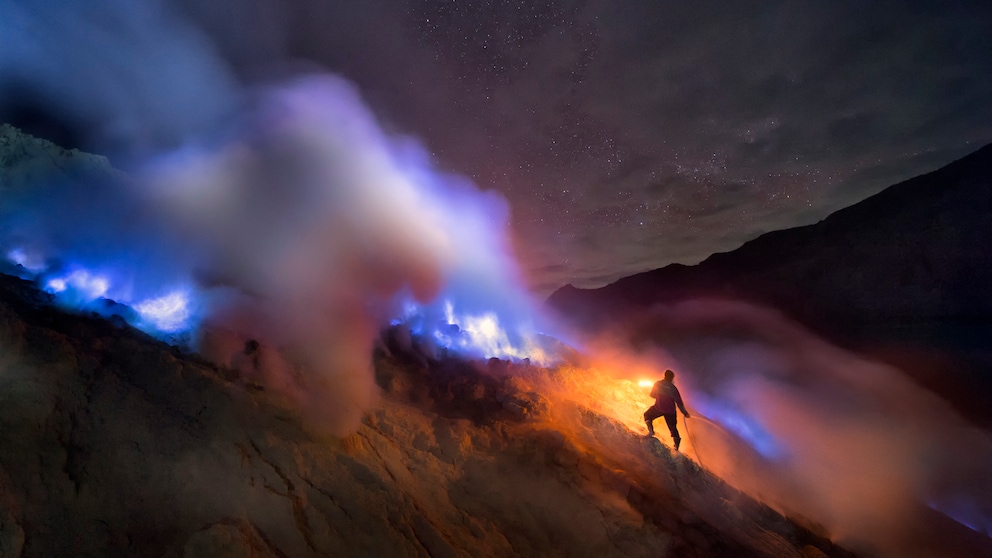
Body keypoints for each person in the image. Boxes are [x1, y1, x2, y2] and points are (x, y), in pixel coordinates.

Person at [644, 369, 690, 450]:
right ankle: (676, 447)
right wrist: (685, 413)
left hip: (659, 408)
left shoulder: (658, 384)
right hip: (670, 411)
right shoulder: (674, 388)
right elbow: (679, 402)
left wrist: (659, 396)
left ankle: (651, 431)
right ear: (672, 378)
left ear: (664, 376)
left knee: (647, 415)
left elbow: (652, 395)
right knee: (673, 428)